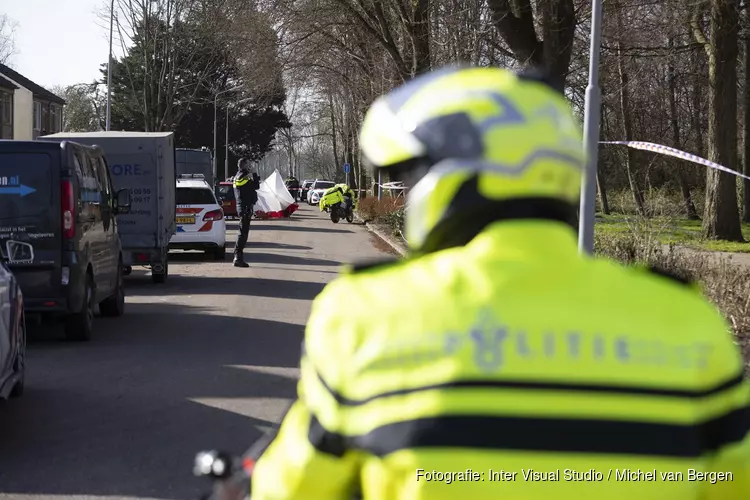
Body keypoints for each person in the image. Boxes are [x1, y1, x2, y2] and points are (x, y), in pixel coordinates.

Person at [250, 66, 750, 499]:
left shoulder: (365, 317)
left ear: (444, 180)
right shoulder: (685, 322)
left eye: (409, 178)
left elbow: (290, 488)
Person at [232, 158, 260, 268]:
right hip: (245, 208)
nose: (250, 166)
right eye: (248, 164)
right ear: (244, 165)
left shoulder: (237, 176)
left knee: (242, 233)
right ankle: (237, 257)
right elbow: (255, 186)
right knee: (242, 234)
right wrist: (254, 174)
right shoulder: (243, 176)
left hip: (243, 207)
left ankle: (238, 256)